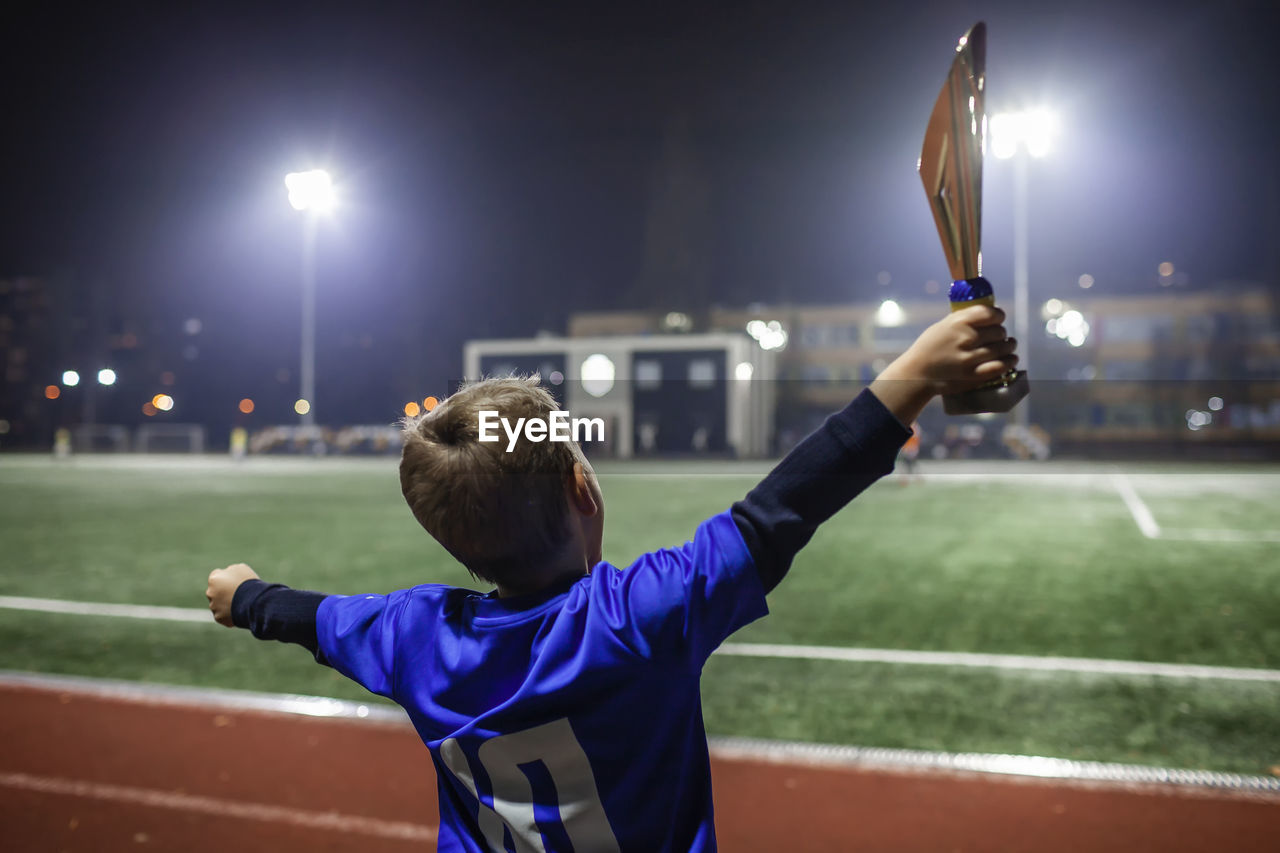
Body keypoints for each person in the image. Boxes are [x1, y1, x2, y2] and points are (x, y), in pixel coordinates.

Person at [206, 304, 1017, 852]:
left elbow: (309, 617)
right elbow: (784, 509)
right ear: (583, 489)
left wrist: (244, 597)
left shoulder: (414, 635)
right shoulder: (636, 619)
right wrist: (917, 372)